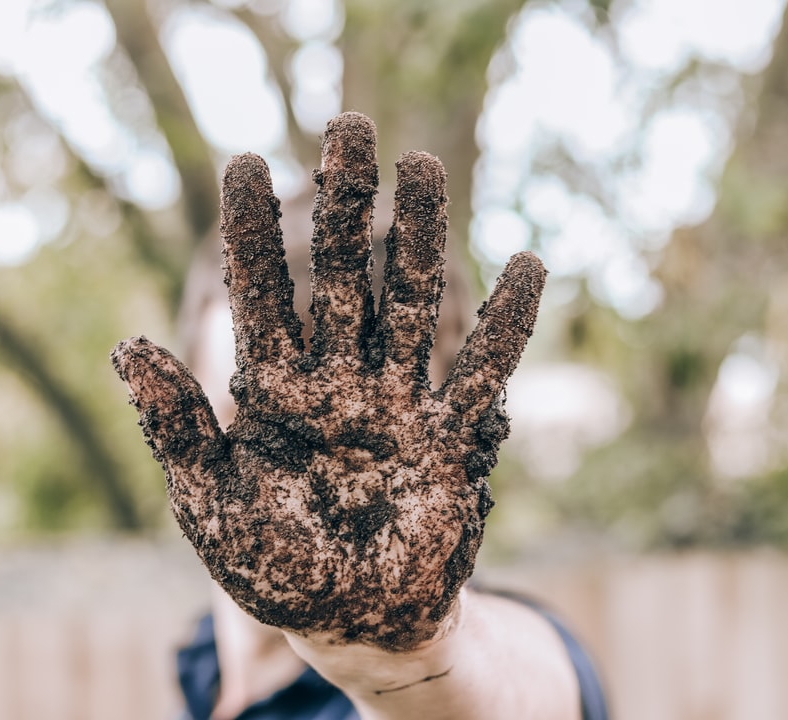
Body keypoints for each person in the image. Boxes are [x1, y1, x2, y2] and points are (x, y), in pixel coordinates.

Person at [112, 112, 609, 720]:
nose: (312, 482)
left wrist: (406, 661)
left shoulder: (480, 656)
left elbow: (513, 695)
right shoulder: (200, 668)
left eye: (375, 441)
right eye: (244, 418)